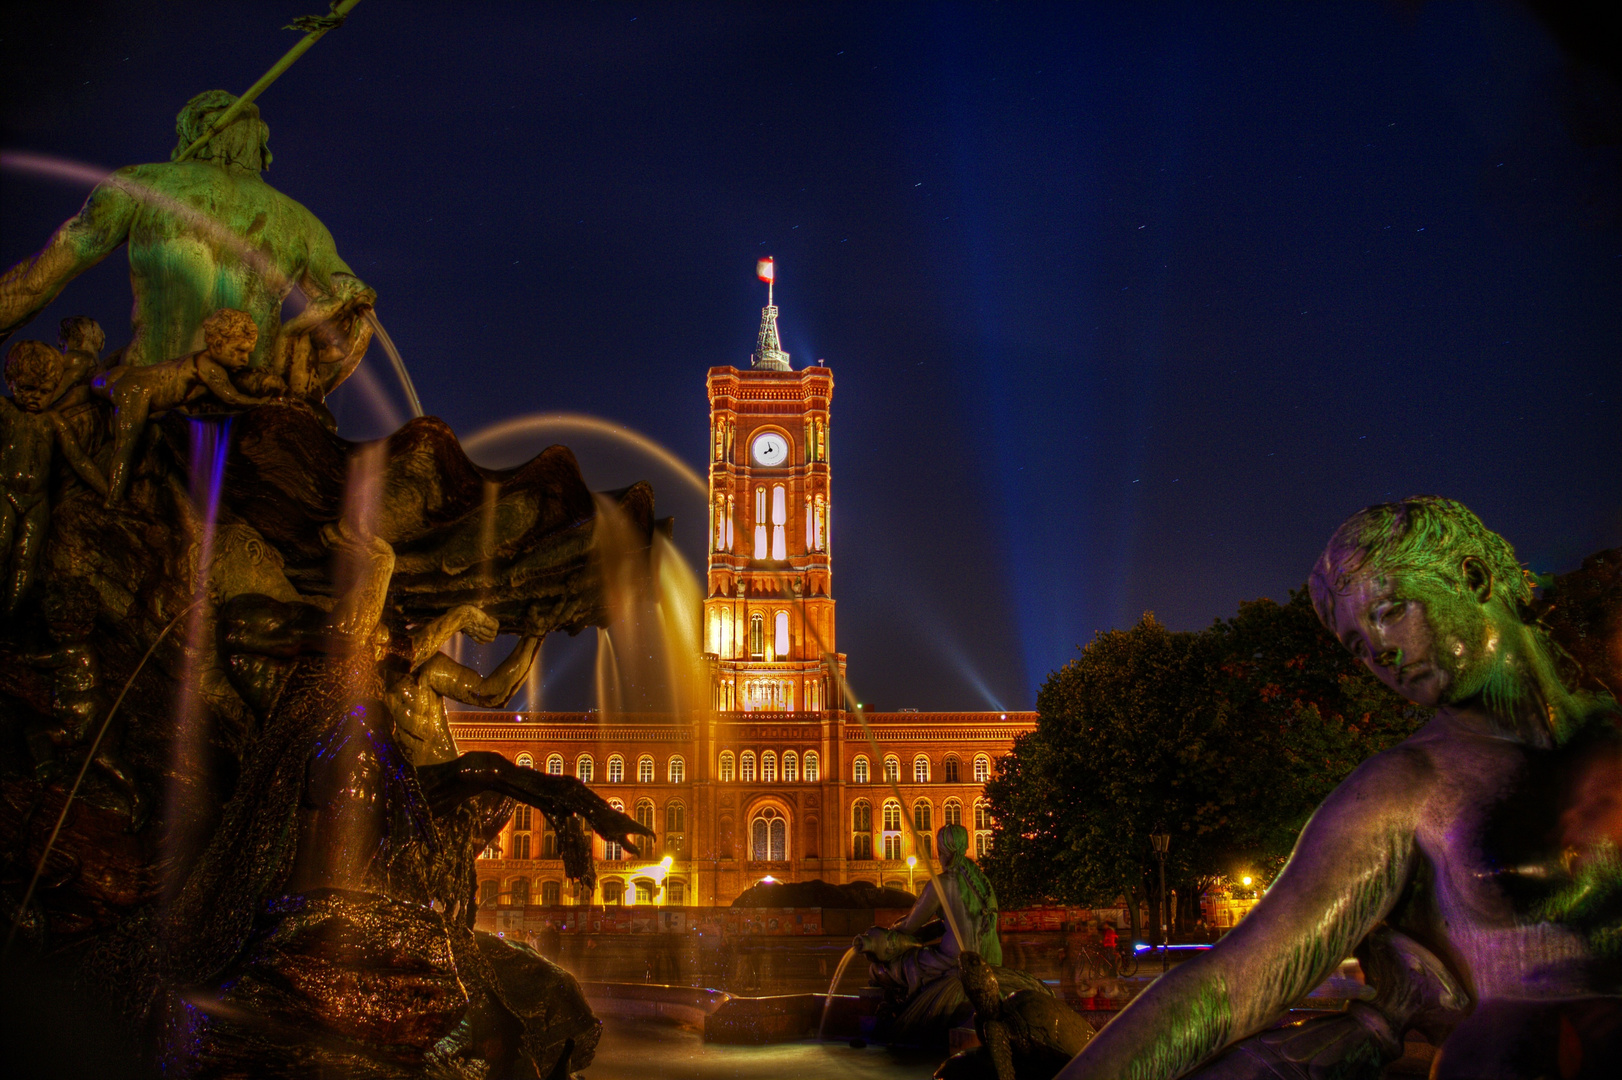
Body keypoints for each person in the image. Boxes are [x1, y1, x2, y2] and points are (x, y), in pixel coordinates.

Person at [1057, 497, 1622, 1079]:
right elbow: (1235, 981)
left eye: (1390, 609)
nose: (1378, 650)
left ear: (1473, 578)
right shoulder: (1405, 787)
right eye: (1356, 644)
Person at [0, 90, 374, 391]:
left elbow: (38, 281)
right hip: (252, 392)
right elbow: (356, 309)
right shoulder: (304, 223)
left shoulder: (141, 184)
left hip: (152, 383)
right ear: (259, 146)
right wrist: (309, 372)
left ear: (192, 133)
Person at [92, 307, 274, 504]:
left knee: (98, 387)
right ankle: (113, 499)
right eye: (240, 351)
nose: (245, 359)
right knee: (125, 447)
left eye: (248, 353)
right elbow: (231, 398)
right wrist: (264, 403)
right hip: (137, 390)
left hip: (128, 376)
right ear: (219, 344)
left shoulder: (202, 360)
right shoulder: (208, 367)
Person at [1, 341, 106, 615]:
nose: (35, 397)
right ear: (9, 382)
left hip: (37, 501)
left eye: (45, 391)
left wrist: (109, 491)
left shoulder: (52, 422)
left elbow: (80, 460)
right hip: (4, 492)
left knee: (26, 561)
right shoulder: (5, 411)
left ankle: (10, 618)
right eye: (27, 389)